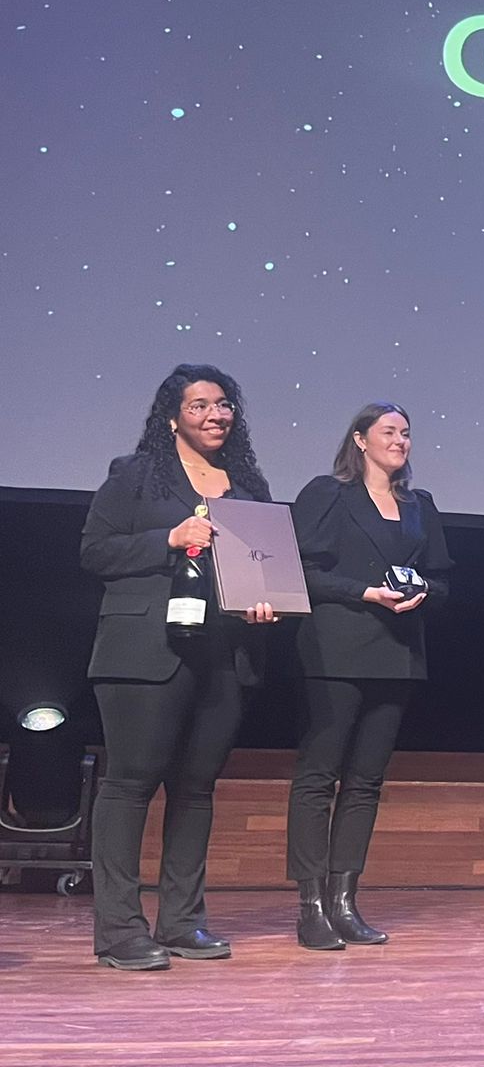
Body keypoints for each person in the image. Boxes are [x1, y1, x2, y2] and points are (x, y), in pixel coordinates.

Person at [79, 363, 281, 970]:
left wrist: (262, 602)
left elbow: (260, 567)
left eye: (223, 405)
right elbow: (95, 551)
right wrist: (167, 539)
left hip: (222, 654)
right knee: (130, 784)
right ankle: (119, 929)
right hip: (144, 651)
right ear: (172, 418)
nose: (215, 415)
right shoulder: (136, 475)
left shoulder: (247, 487)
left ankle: (182, 921)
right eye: (199, 405)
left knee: (195, 789)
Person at [287, 402, 454, 950]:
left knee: (365, 782)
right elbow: (301, 571)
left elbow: (442, 580)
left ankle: (344, 900)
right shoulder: (328, 494)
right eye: (389, 431)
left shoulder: (420, 505)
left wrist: (422, 591)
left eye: (406, 432)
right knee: (319, 775)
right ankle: (311, 906)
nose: (400, 441)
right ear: (360, 439)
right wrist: (363, 592)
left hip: (397, 652)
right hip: (336, 648)